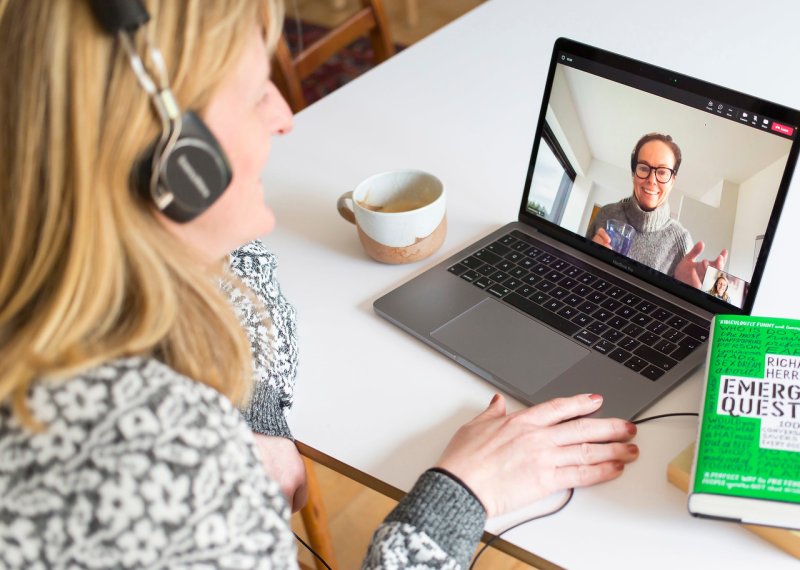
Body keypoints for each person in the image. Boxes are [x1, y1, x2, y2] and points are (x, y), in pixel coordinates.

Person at [0, 1, 639, 568]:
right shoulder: (161, 463)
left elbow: (239, 263)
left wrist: (255, 419)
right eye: (256, 94)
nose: (285, 118)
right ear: (177, 163)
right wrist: (462, 492)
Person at [587, 133, 727, 288]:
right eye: (643, 168)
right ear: (634, 173)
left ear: (672, 180)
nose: (652, 180)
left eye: (662, 172)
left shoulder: (682, 242)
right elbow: (581, 272)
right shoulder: (606, 214)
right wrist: (590, 258)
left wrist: (684, 291)